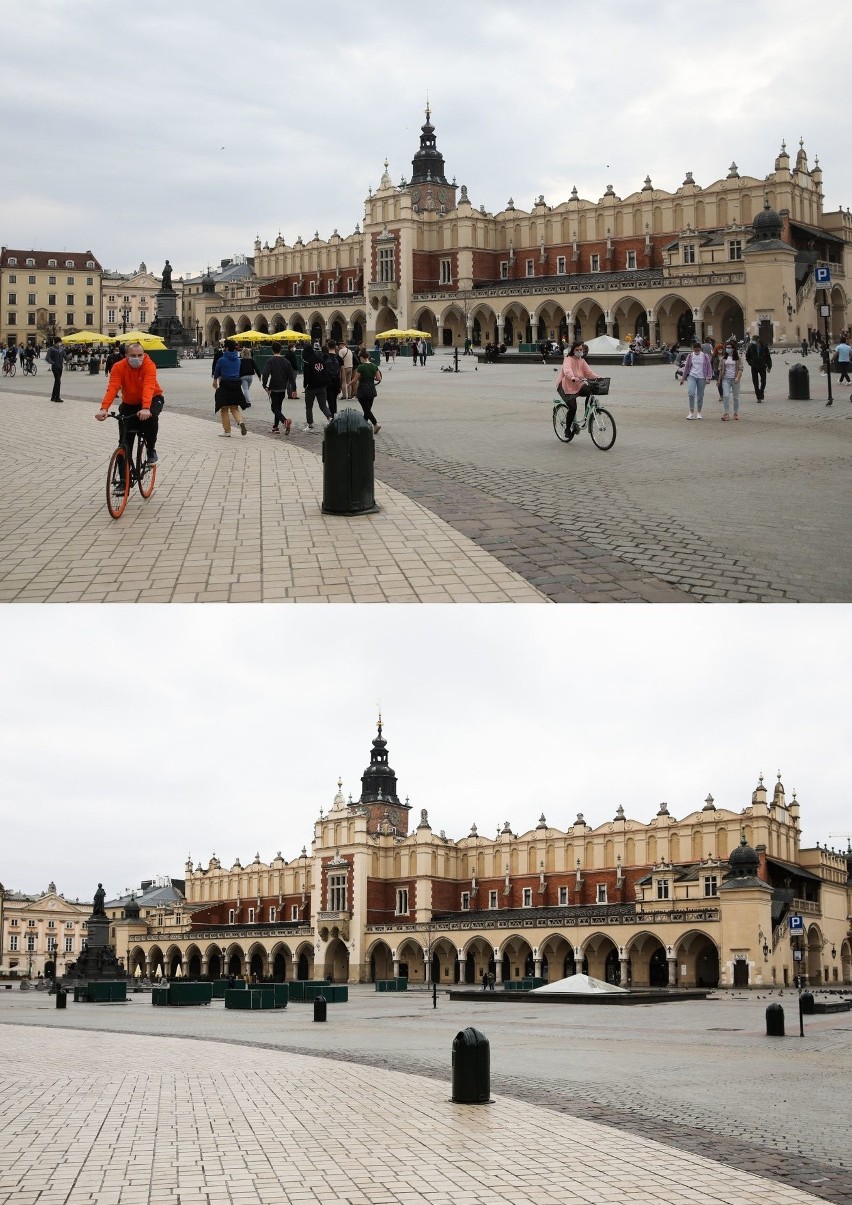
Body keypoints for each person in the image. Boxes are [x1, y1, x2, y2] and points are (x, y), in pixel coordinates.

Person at [95, 340, 165, 464]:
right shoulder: (118, 367)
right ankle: (122, 480)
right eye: (133, 356)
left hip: (152, 398)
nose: (137, 358)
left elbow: (149, 386)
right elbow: (113, 387)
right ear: (126, 356)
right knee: (124, 441)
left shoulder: (149, 365)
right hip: (129, 402)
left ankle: (150, 449)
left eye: (140, 355)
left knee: (151, 418)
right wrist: (104, 408)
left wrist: (146, 407)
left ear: (144, 355)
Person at [556, 341, 598, 439]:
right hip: (565, 385)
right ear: (572, 350)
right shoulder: (568, 359)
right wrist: (572, 377)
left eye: (580, 350)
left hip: (578, 383)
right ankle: (567, 430)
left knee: (590, 392)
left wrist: (598, 377)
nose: (579, 351)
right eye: (577, 350)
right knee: (573, 407)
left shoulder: (582, 361)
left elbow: (589, 372)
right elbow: (567, 370)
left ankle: (586, 416)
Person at [212, 338, 249, 437]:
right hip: (236, 385)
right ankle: (240, 421)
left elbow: (216, 371)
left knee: (224, 409)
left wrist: (215, 381)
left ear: (227, 348)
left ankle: (227, 431)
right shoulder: (238, 360)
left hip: (225, 385)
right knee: (234, 407)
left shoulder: (222, 359)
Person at [261, 341, 295, 434]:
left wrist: (264, 385)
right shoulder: (286, 362)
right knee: (278, 407)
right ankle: (275, 427)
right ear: (281, 350)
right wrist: (294, 389)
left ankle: (285, 421)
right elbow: (291, 376)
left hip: (274, 388)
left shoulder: (270, 361)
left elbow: (265, 374)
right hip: (283, 388)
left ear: (272, 350)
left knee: (274, 408)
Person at [302, 341, 332, 431]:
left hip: (311, 386)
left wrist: (305, 385)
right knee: (323, 405)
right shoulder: (320, 359)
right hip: (322, 385)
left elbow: (306, 375)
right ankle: (329, 417)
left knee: (309, 406)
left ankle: (310, 424)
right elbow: (325, 371)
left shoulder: (307, 361)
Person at [680, 340, 713, 418]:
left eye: (698, 350)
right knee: (691, 394)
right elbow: (686, 368)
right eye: (695, 350)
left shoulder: (705, 356)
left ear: (700, 349)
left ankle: (699, 412)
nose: (696, 351)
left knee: (700, 396)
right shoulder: (690, 356)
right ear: (693, 349)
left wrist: (708, 377)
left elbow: (709, 367)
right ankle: (691, 412)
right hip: (692, 376)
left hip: (702, 377)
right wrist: (683, 378)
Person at [351, 349, 382, 433]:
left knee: (366, 409)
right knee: (367, 409)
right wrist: (373, 377)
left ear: (362, 358)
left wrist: (348, 385)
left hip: (362, 390)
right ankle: (364, 426)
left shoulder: (360, 367)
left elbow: (355, 379)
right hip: (371, 389)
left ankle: (375, 424)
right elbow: (379, 378)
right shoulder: (374, 366)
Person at [718, 340, 743, 420]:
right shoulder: (723, 358)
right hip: (726, 379)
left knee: (735, 397)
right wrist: (719, 380)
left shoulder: (738, 358)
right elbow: (721, 370)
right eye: (726, 348)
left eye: (729, 347)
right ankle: (726, 413)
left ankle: (735, 413)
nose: (727, 349)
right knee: (726, 396)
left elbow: (740, 369)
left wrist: (737, 378)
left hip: (735, 380)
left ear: (733, 349)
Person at [745, 337, 771, 402]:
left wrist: (769, 366)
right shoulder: (751, 347)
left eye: (754, 340)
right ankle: (758, 397)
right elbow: (747, 357)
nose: (752, 341)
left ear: (758, 340)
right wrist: (751, 363)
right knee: (755, 382)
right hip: (754, 367)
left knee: (763, 381)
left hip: (762, 366)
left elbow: (768, 357)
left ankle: (761, 392)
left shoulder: (764, 347)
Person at [324, 340, 342, 417]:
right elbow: (342, 372)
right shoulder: (339, 358)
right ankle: (334, 414)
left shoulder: (324, 357)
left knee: (329, 400)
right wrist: (341, 384)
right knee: (334, 399)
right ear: (335, 347)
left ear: (328, 346)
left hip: (327, 381)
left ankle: (331, 417)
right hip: (336, 381)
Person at [45, 336, 65, 403]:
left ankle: (53, 397)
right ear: (56, 342)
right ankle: (57, 397)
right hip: (55, 367)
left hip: (60, 367)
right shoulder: (51, 349)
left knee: (57, 381)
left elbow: (65, 356)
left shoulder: (61, 349)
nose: (60, 343)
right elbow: (47, 358)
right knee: (58, 382)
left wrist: (69, 357)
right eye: (59, 342)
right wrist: (53, 363)